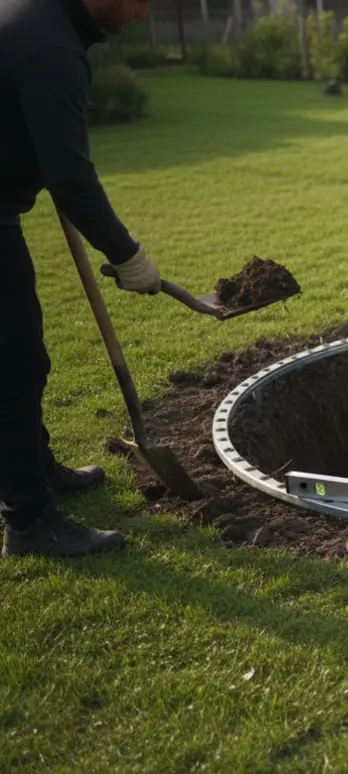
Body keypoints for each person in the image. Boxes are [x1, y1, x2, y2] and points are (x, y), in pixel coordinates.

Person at [0, 0, 161, 557]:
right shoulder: (50, 48)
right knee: (15, 364)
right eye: (141, 1)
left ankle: (34, 471)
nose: (144, 16)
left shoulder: (36, 20)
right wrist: (129, 256)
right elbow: (73, 176)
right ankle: (29, 521)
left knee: (17, 357)